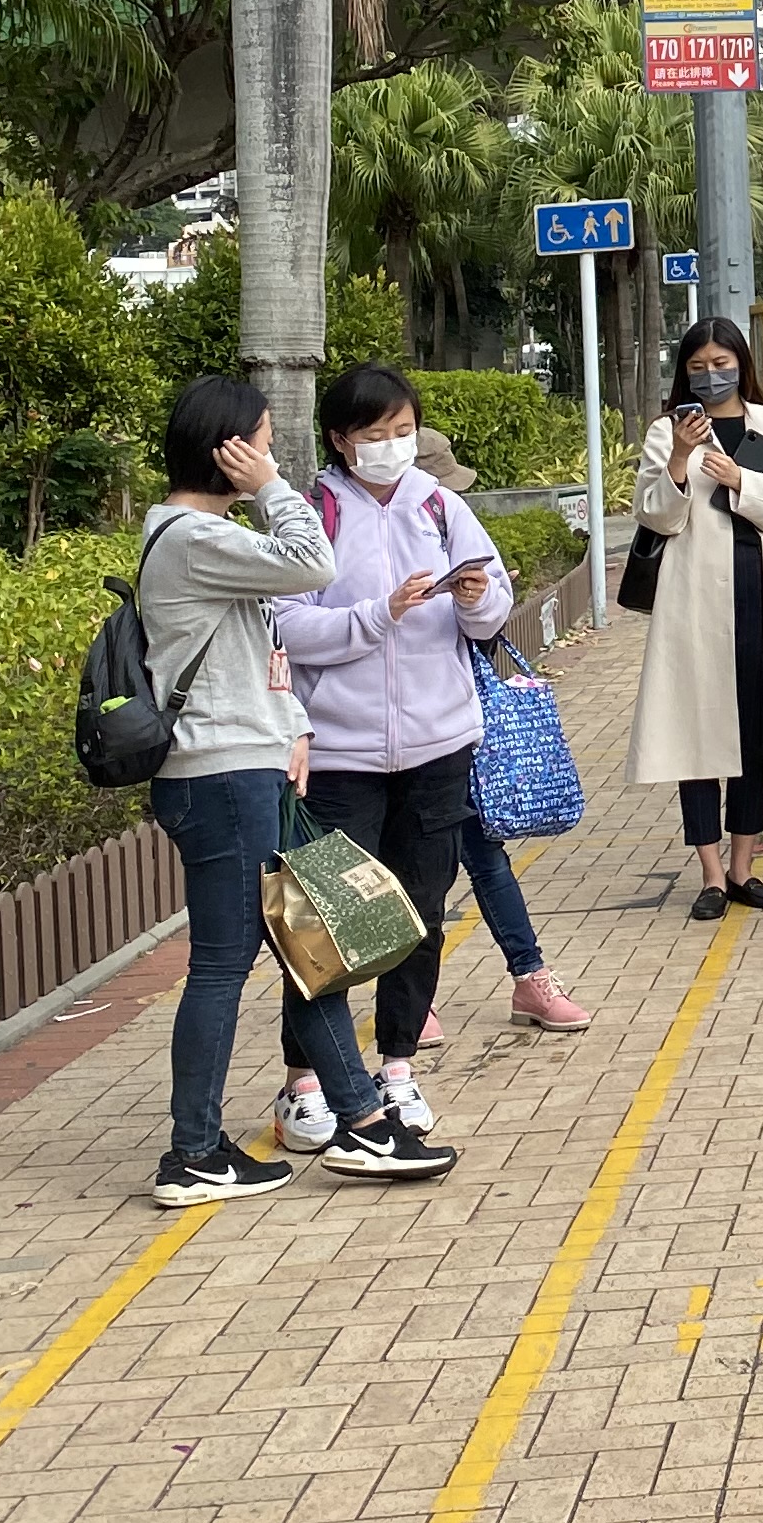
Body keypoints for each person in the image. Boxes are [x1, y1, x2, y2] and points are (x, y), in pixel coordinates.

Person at [135, 375, 455, 1202]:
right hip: (221, 777)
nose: (273, 456)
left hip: (242, 767)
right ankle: (197, 1152)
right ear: (228, 451)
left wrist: (293, 729)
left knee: (294, 942)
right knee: (224, 963)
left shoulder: (197, 537)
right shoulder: (191, 536)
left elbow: (252, 650)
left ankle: (355, 1121)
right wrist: (273, 490)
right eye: (264, 442)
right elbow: (313, 560)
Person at [265, 365, 517, 1146]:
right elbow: (285, 625)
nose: (391, 447)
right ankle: (302, 1081)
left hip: (438, 745)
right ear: (342, 440)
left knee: (418, 914)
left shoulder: (442, 504)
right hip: (340, 753)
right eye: (374, 435)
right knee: (329, 924)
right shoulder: (310, 515)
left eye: (402, 431)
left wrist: (478, 601)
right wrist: (379, 615)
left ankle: (397, 1067)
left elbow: (492, 604)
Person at [629, 317, 763, 919]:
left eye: (722, 363)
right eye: (698, 366)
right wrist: (682, 460)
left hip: (761, 597)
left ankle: (743, 868)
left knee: (753, 733)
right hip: (695, 605)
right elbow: (656, 517)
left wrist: (743, 480)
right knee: (699, 736)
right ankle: (710, 874)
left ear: (741, 363)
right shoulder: (668, 433)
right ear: (683, 371)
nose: (712, 375)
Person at [404, 421, 593, 1038]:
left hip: (462, 725)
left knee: (482, 855)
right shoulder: (374, 538)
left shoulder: (455, 531)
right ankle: (421, 996)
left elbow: (490, 621)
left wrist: (473, 593)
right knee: (419, 868)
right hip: (401, 735)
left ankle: (525, 979)